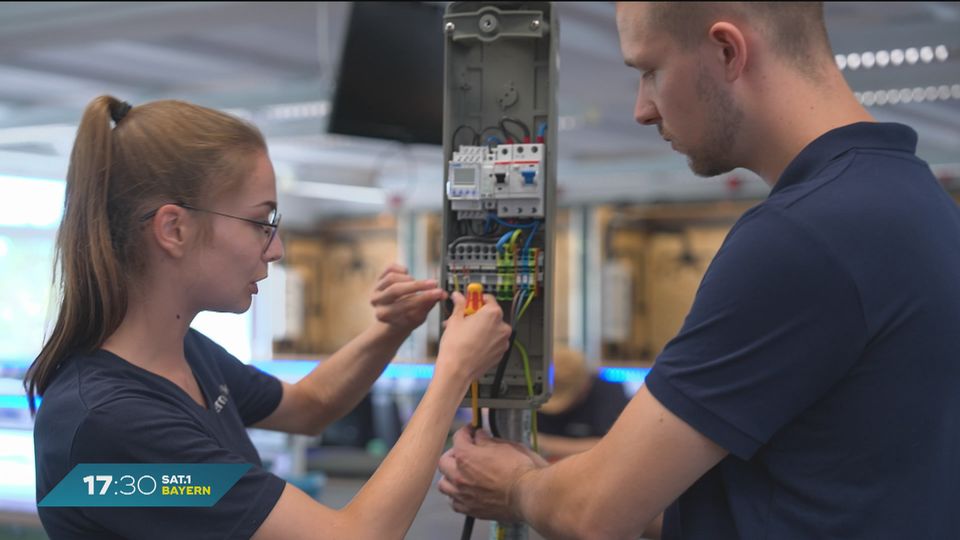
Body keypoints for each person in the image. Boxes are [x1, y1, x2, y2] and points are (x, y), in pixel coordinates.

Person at [438, 2, 960, 538]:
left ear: (728, 50)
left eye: (649, 71)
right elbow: (811, 495)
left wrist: (516, 487)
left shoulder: (803, 235)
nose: (642, 109)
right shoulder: (923, 204)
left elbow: (594, 514)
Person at [26, 95, 513, 539]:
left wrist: (392, 328)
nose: (276, 249)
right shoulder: (108, 424)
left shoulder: (185, 355)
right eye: (262, 223)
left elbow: (309, 406)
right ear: (173, 228)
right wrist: (452, 374)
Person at [536, 347, 629, 461]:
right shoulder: (536, 396)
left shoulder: (610, 395)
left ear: (585, 385)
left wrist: (544, 443)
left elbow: (613, 447)